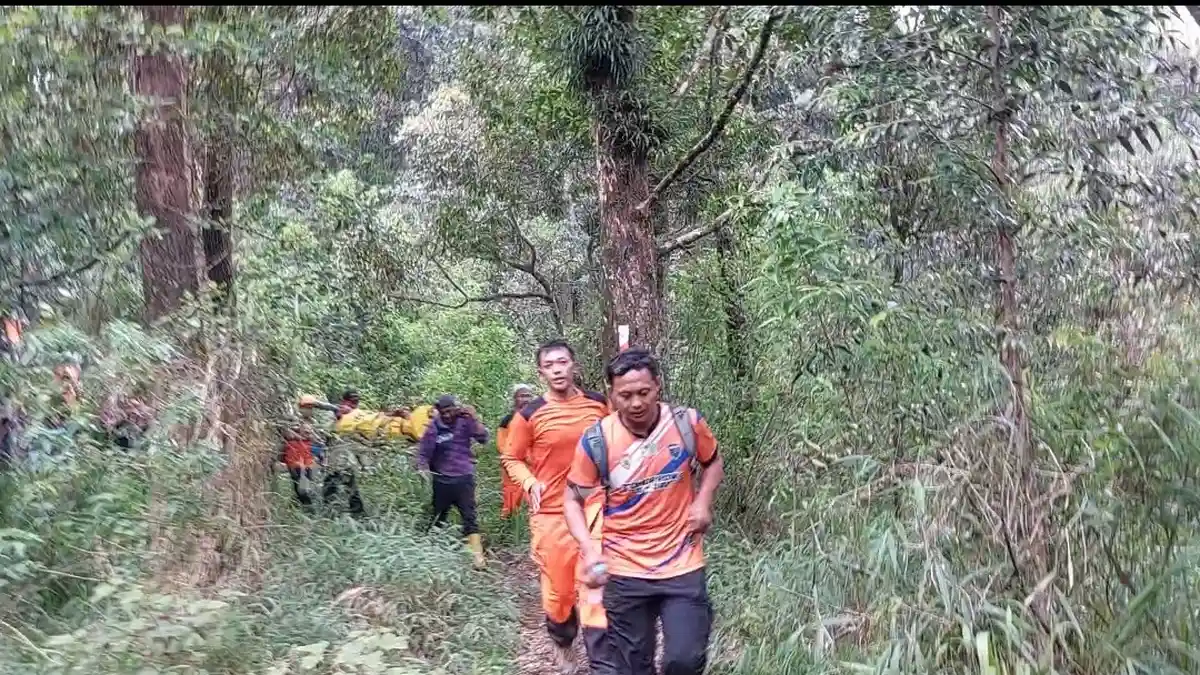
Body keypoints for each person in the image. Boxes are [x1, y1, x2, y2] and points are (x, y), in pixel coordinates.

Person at [564, 348, 725, 675]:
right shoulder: (597, 440)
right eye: (625, 395)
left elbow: (713, 462)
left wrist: (703, 500)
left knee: (685, 660)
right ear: (611, 395)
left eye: (643, 393)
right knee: (633, 667)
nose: (636, 403)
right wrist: (589, 546)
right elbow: (571, 499)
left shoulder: (686, 424)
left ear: (658, 388)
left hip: (682, 562)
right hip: (624, 570)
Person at [501, 340, 609, 672]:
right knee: (560, 594)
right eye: (550, 365)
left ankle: (604, 656)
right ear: (541, 372)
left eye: (563, 362)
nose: (558, 369)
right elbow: (511, 457)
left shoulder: (598, 404)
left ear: (574, 365)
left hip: (595, 504)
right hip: (552, 512)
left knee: (597, 578)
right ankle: (563, 641)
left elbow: (619, 439)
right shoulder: (529, 415)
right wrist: (530, 482)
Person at [418, 395, 489, 569]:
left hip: (464, 479)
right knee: (438, 518)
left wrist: (474, 418)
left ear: (455, 409)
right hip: (442, 480)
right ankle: (431, 556)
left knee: (469, 517)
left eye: (450, 411)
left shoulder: (464, 421)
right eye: (444, 413)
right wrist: (422, 470)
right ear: (439, 412)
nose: (447, 415)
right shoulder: (434, 428)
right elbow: (423, 454)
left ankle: (478, 559)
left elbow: (483, 437)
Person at [496, 384, 535, 519]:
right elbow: (502, 445)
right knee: (511, 499)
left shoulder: (537, 417)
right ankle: (508, 527)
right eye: (522, 396)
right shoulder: (507, 420)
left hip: (534, 465)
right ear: (515, 399)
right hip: (513, 466)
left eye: (528, 395)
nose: (526, 399)